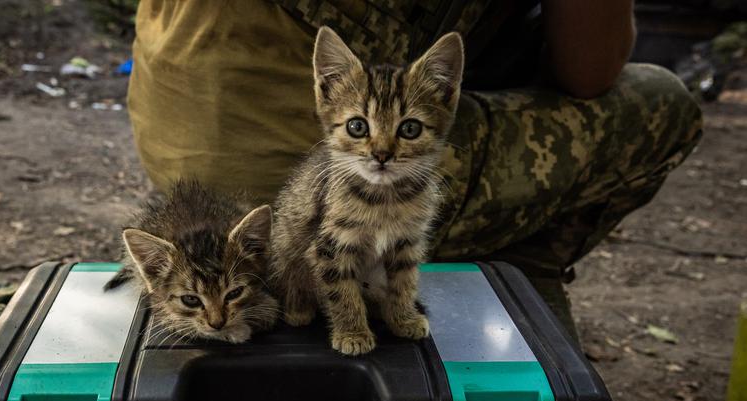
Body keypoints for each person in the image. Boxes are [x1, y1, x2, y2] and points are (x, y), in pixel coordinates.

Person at [125, 0, 702, 294]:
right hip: (302, 172)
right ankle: (505, 281)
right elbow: (589, 70)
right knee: (662, 103)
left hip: (176, 132)